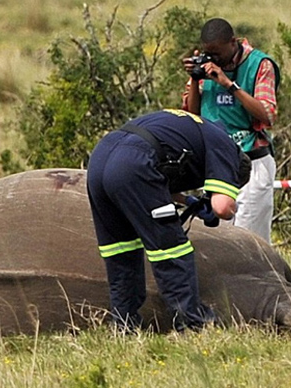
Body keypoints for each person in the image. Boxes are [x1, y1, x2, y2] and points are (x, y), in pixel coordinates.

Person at [86, 108, 251, 332]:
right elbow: (222, 207)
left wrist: (189, 201)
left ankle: (125, 325)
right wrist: (228, 207)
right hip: (135, 161)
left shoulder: (197, 128)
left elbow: (158, 183)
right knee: (172, 249)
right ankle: (192, 323)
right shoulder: (227, 148)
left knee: (121, 250)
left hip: (101, 157)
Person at [181, 17, 280, 244]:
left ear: (233, 43)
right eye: (209, 53)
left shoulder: (260, 64)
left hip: (252, 160)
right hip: (217, 163)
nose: (214, 59)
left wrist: (229, 84)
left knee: (249, 240)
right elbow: (192, 114)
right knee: (219, 239)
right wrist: (195, 80)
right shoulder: (206, 66)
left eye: (218, 53)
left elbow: (267, 114)